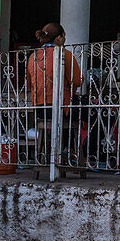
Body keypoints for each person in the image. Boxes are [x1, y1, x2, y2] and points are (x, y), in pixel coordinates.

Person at [25, 22, 83, 163]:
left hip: (40, 109)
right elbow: (77, 81)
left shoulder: (33, 57)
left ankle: (64, 149)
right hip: (61, 108)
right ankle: (77, 152)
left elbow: (28, 84)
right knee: (96, 113)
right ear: (58, 38)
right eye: (64, 37)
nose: (64, 40)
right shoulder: (65, 54)